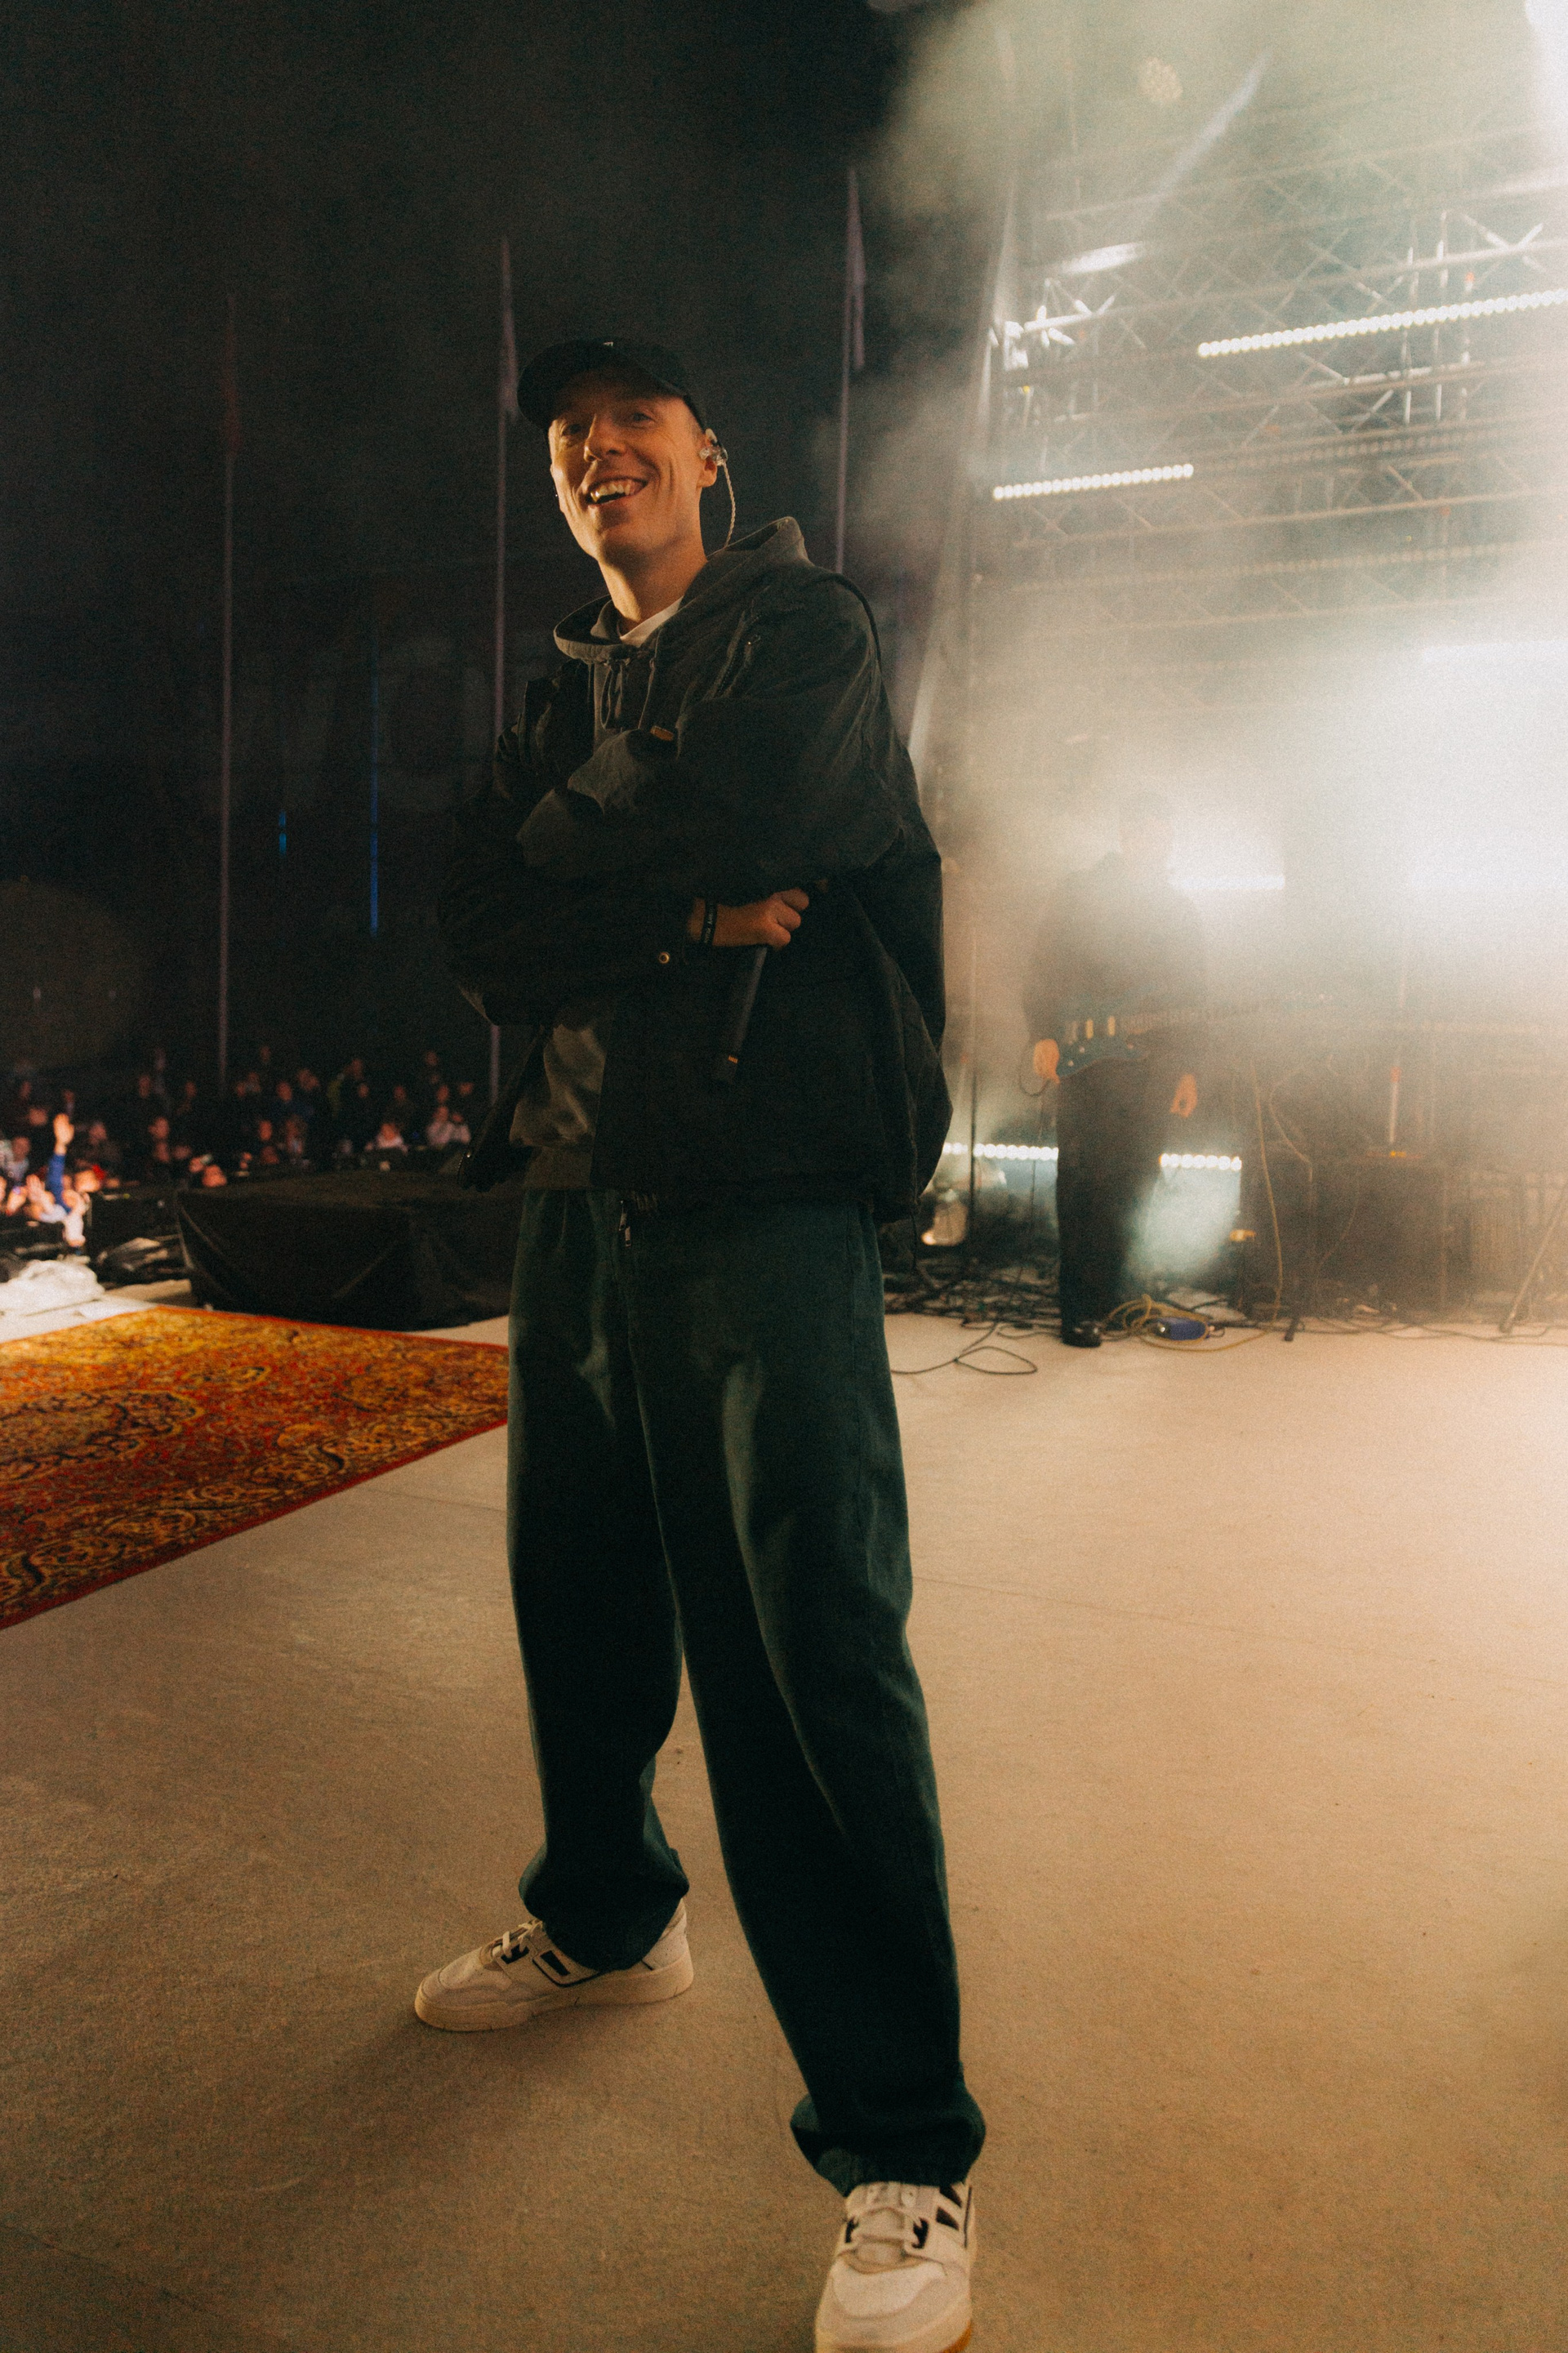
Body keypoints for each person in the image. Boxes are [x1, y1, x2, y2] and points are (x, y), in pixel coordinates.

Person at [430, 336, 978, 2353]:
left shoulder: (798, 629)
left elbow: (760, 803)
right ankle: (604, 1913)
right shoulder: (565, 680)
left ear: (705, 455)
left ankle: (901, 2148)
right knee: (578, 1588)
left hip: (762, 1184)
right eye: (570, 442)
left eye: (632, 427)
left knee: (802, 1645)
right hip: (582, 1186)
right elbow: (478, 930)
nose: (599, 454)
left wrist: (584, 859)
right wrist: (681, 915)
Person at [1024, 790, 1205, 1346]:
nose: (1160, 844)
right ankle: (1078, 1306)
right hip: (1088, 1060)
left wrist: (1188, 1069)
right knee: (1083, 1177)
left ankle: (1118, 1295)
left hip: (1150, 1067)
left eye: (1167, 835)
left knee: (1137, 1178)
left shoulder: (1178, 910)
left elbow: (1193, 995)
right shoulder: (1080, 892)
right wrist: (1043, 1033)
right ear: (1128, 833)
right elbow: (1044, 965)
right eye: (1151, 832)